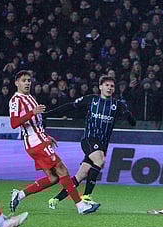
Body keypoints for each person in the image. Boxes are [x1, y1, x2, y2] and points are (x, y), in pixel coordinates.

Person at [9, 70, 99, 215]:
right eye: (24, 80)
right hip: (34, 142)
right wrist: (32, 112)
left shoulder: (30, 97)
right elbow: (13, 123)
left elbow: (36, 123)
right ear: (16, 83)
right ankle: (81, 205)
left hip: (40, 139)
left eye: (29, 80)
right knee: (62, 169)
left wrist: (45, 135)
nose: (27, 83)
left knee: (53, 178)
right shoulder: (16, 100)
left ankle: (19, 195)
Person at [45, 75, 136, 209]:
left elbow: (133, 123)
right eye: (107, 85)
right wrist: (47, 114)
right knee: (99, 162)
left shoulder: (117, 105)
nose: (109, 88)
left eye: (112, 86)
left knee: (80, 175)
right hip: (89, 140)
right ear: (100, 87)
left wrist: (128, 116)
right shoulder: (91, 99)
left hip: (102, 145)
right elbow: (70, 106)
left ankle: (55, 200)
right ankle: (87, 197)